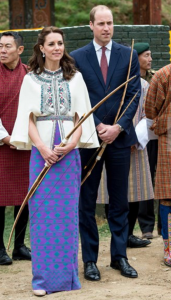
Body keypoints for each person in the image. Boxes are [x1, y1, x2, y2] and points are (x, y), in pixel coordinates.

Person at [10, 26, 99, 296]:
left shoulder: (76, 78)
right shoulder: (30, 80)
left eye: (60, 43)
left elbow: (81, 117)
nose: (57, 48)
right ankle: (43, 281)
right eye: (51, 44)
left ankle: (67, 279)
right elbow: (27, 119)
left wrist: (72, 144)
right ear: (41, 48)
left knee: (67, 216)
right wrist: (41, 148)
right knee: (43, 217)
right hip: (41, 155)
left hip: (69, 155)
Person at [70, 5, 141, 280]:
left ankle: (119, 256)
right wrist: (98, 124)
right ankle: (90, 260)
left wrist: (118, 127)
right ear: (91, 25)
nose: (106, 28)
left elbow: (134, 93)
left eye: (109, 23)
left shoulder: (129, 54)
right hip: (89, 139)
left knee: (119, 200)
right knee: (86, 201)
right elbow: (80, 97)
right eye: (100, 23)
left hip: (120, 140)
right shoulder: (77, 58)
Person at [0, 31, 31, 265]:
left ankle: (20, 245)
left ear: (19, 50)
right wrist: (6, 137)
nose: (2, 50)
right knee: (0, 199)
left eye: (7, 46)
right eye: (0, 46)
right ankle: (0, 248)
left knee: (25, 197)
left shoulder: (30, 75)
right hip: (2, 144)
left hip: (26, 145)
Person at [145, 63, 171, 266]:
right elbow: (150, 110)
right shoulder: (164, 75)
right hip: (168, 138)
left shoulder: (162, 74)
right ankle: (169, 248)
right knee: (167, 195)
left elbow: (151, 110)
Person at [133, 42, 159, 240]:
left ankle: (148, 225)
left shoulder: (156, 78)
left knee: (150, 176)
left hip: (151, 133)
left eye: (150, 55)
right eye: (146, 55)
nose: (150, 59)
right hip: (132, 134)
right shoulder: (128, 80)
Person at [127, 78, 154, 248]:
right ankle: (120, 234)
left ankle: (129, 233)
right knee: (113, 191)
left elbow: (148, 114)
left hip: (136, 143)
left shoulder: (144, 85)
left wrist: (134, 138)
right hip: (111, 140)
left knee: (136, 189)